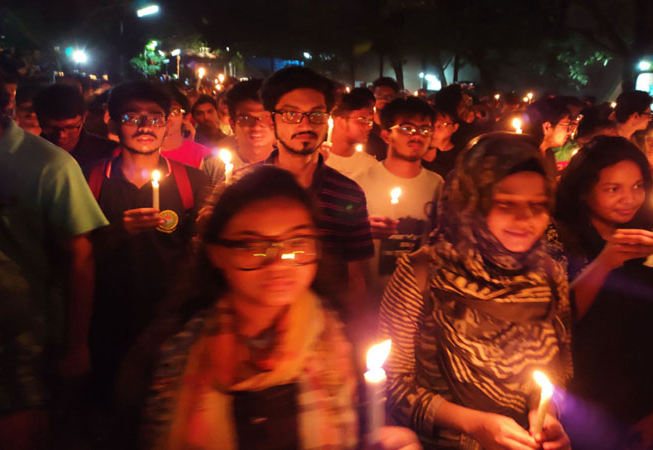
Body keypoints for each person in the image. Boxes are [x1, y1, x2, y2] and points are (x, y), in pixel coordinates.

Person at [141, 166, 420, 450]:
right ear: (216, 252)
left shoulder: (341, 343)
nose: (278, 264)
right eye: (253, 246)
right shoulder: (175, 357)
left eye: (296, 243)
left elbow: (362, 432)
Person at [380, 132, 572, 450]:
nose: (524, 219)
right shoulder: (421, 273)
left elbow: (559, 367)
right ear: (471, 202)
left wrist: (545, 414)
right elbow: (395, 386)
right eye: (505, 203)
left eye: (537, 205)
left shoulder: (549, 274)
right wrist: (475, 425)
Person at [0, 71, 109, 449]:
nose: (63, 136)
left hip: (29, 335)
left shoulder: (54, 166)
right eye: (53, 127)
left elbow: (82, 255)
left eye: (71, 128)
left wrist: (77, 343)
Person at [85, 81, 209, 410]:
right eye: (131, 117)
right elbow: (73, 257)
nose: (144, 127)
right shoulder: (90, 180)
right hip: (106, 328)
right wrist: (118, 232)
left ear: (168, 124)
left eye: (154, 118)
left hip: (169, 326)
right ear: (112, 124)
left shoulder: (191, 182)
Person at [554, 136, 653, 450]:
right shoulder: (559, 241)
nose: (630, 199)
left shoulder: (650, 239)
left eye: (638, 186)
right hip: (574, 406)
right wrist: (606, 262)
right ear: (584, 192)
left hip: (635, 402)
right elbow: (557, 323)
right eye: (613, 189)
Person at [219, 66, 374, 319]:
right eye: (292, 114)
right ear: (271, 120)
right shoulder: (243, 186)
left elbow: (355, 277)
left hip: (325, 328)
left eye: (316, 115)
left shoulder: (349, 193)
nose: (305, 125)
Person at [353, 97, 443, 294]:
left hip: (418, 300)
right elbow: (340, 243)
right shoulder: (358, 184)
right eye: (407, 128)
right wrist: (359, 231)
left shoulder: (438, 185)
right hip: (371, 298)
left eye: (424, 129)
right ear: (386, 135)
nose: (417, 136)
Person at [201, 80, 276, 185]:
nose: (256, 126)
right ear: (232, 125)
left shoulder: (291, 165)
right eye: (245, 118)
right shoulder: (213, 166)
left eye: (265, 118)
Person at [33, 83, 119, 170]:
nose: (61, 135)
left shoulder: (108, 154)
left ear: (84, 117)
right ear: (39, 120)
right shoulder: (27, 153)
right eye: (51, 128)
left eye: (70, 127)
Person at [325, 87, 378, 179]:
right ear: (340, 121)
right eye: (362, 120)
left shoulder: (370, 166)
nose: (369, 127)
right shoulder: (315, 160)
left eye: (370, 121)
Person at [161, 87, 211, 168]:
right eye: (160, 111)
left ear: (186, 118)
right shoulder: (141, 154)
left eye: (174, 111)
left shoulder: (203, 156)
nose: (167, 117)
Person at [421, 106, 461, 179]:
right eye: (431, 126)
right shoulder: (416, 156)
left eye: (440, 126)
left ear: (455, 127)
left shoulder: (460, 159)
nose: (434, 131)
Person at [367, 77, 400, 160]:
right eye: (379, 96)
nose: (383, 100)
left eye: (388, 97)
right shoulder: (365, 124)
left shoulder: (399, 126)